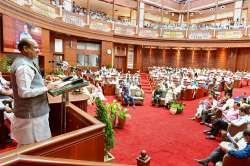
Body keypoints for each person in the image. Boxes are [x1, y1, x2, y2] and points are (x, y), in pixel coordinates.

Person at [11, 38, 56, 146]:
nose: (38, 50)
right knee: (34, 146)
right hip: (32, 115)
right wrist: (47, 88)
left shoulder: (26, 62)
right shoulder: (24, 66)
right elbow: (24, 92)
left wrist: (44, 82)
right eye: (35, 47)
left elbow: (31, 83)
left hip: (34, 112)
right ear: (25, 49)